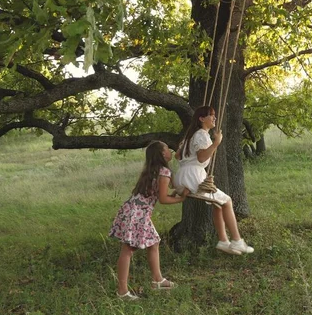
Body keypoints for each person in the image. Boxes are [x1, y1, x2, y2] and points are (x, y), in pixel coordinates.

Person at [108, 141, 185, 300]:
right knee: (128, 250)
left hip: (132, 209)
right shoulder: (164, 171)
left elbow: (158, 193)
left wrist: (175, 193)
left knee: (154, 242)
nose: (170, 150)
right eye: (167, 149)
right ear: (163, 154)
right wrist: (181, 199)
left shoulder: (152, 170)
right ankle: (122, 292)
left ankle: (157, 280)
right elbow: (163, 199)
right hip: (139, 213)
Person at [173, 105, 254, 255]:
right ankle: (237, 241)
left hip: (183, 176)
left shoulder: (190, 136)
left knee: (218, 204)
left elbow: (177, 156)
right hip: (193, 175)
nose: (214, 118)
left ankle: (223, 241)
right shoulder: (202, 134)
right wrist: (216, 143)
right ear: (202, 119)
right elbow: (202, 157)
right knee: (227, 201)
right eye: (211, 115)